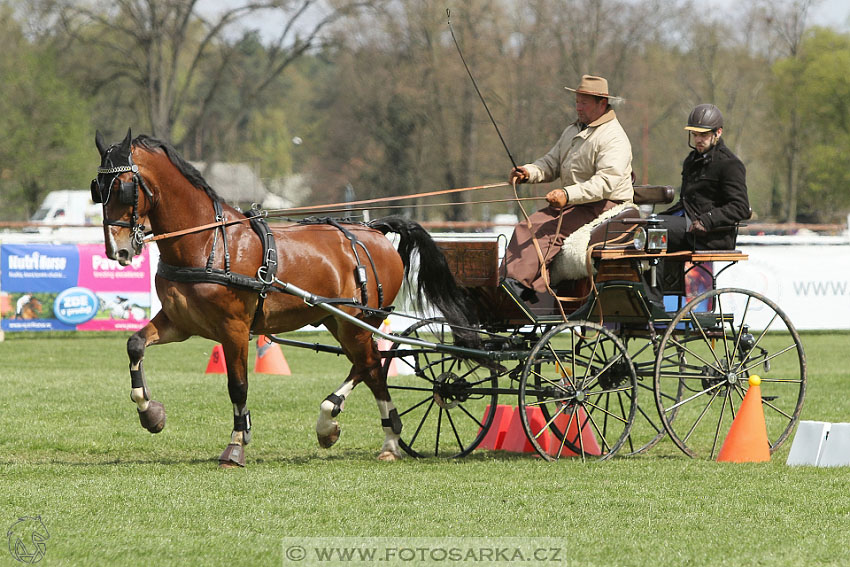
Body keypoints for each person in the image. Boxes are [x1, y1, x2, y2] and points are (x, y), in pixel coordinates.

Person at [503, 74, 634, 293]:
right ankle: (512, 282)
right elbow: (551, 162)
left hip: (605, 206)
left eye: (583, 102)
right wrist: (528, 172)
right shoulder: (573, 131)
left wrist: (567, 194)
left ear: (602, 104)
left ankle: (519, 286)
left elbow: (605, 183)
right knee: (526, 225)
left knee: (545, 230)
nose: (578, 107)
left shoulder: (614, 138)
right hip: (574, 203)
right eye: (577, 102)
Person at [657, 104, 750, 251]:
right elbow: (685, 202)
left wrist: (707, 220)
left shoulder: (730, 164)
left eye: (704, 135)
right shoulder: (691, 161)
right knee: (646, 225)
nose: (698, 139)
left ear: (718, 132)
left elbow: (741, 207)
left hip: (711, 234)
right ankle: (656, 274)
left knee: (655, 231)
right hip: (687, 223)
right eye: (695, 135)